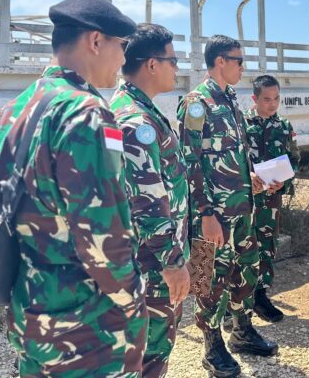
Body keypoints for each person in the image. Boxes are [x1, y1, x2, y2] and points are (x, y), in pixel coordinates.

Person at [0, 0, 147, 376]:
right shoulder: (86, 113)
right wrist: (133, 301)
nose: (122, 61)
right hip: (87, 330)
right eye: (122, 46)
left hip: (29, 313)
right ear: (96, 42)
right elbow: (103, 235)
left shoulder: (10, 112)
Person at [177, 34, 278, 378]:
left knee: (245, 272)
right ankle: (211, 345)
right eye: (238, 60)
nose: (242, 67)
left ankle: (241, 330)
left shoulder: (230, 100)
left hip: (241, 211)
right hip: (211, 217)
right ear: (220, 61)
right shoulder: (195, 103)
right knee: (207, 281)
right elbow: (189, 163)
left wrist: (252, 176)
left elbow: (232, 154)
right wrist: (205, 215)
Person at [110, 23, 191, 378]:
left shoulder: (143, 110)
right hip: (152, 265)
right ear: (152, 65)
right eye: (172, 61)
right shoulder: (135, 119)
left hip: (152, 260)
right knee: (148, 358)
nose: (177, 69)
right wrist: (172, 261)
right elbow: (146, 201)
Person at [244, 74, 301, 322]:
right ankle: (236, 301)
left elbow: (294, 160)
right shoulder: (241, 125)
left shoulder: (284, 127)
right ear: (254, 98)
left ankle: (260, 295)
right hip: (245, 199)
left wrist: (283, 182)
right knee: (241, 245)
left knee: (267, 244)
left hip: (270, 199)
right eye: (267, 99)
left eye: (276, 98)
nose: (273, 103)